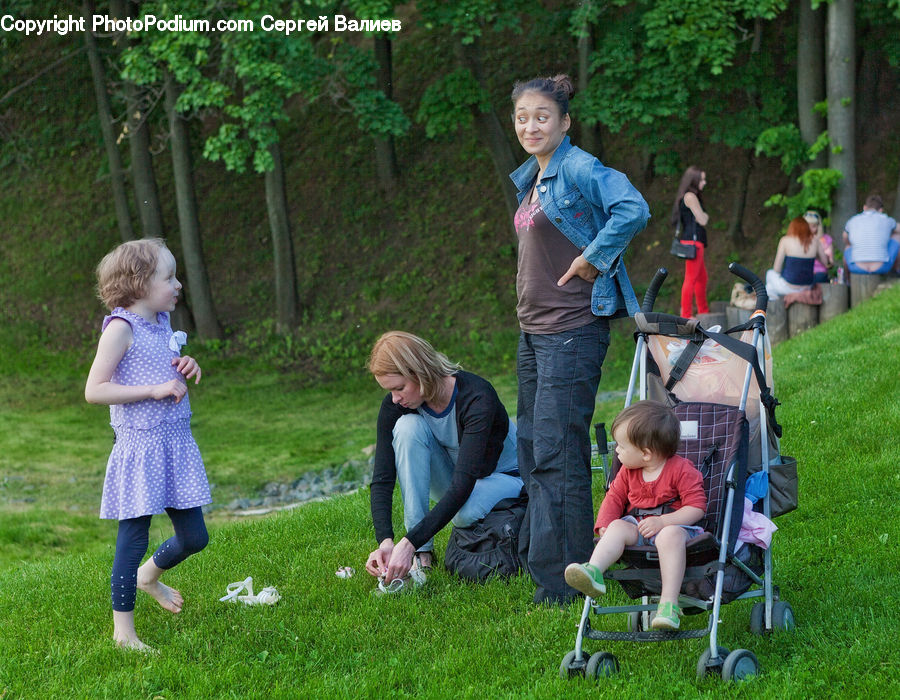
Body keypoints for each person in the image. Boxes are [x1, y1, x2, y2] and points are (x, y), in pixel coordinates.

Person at [509, 74, 649, 605]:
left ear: (564, 122)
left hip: (571, 331)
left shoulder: (577, 167)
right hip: (534, 332)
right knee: (534, 450)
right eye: (522, 116)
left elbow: (631, 208)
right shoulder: (533, 179)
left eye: (542, 116)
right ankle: (544, 563)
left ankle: (565, 584)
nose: (530, 125)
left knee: (558, 453)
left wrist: (595, 256)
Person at [85, 238, 210, 651]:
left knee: (195, 538)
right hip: (140, 449)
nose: (178, 285)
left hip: (176, 444)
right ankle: (124, 632)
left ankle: (148, 576)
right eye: (169, 277)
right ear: (138, 283)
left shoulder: (160, 326)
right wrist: (153, 389)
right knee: (133, 535)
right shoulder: (121, 329)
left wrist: (186, 365)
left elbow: (167, 369)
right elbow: (95, 390)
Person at [365, 331, 524, 591]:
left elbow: (463, 484)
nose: (395, 398)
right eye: (390, 391)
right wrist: (386, 541)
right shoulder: (397, 405)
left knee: (464, 512)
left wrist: (409, 541)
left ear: (421, 373)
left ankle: (415, 546)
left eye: (399, 388)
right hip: (462, 479)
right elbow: (382, 478)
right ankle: (423, 557)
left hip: (506, 477)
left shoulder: (476, 397)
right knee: (406, 427)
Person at [564, 401, 706, 630]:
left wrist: (663, 521)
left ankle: (668, 604)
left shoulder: (681, 470)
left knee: (669, 535)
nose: (616, 451)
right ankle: (594, 571)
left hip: (677, 530)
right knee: (618, 527)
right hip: (639, 528)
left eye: (621, 446)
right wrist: (605, 526)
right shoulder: (627, 472)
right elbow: (614, 499)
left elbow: (696, 507)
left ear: (646, 454)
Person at [670, 166, 710, 318]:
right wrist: (705, 216)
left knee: (701, 278)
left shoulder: (688, 196)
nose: (704, 182)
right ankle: (687, 314)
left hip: (693, 242)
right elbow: (702, 219)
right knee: (691, 278)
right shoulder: (690, 197)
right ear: (694, 180)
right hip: (693, 243)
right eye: (702, 179)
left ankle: (703, 311)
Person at [765, 216, 829, 299]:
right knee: (769, 287)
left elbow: (777, 269)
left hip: (789, 287)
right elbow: (826, 262)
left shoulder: (785, 240)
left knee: (770, 274)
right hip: (807, 286)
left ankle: (773, 302)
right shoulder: (815, 241)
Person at [842, 194, 900, 275]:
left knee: (848, 246)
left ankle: (847, 280)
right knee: (897, 236)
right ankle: (897, 270)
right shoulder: (886, 219)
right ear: (880, 210)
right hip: (881, 267)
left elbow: (844, 236)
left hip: (856, 267)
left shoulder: (853, 220)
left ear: (864, 208)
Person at [805, 209, 834, 284]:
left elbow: (830, 264)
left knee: (819, 278)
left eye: (813, 226)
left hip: (820, 272)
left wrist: (820, 255)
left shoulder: (825, 239)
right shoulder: (801, 239)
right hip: (805, 271)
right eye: (807, 226)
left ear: (818, 226)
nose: (810, 229)